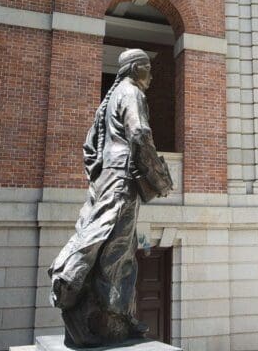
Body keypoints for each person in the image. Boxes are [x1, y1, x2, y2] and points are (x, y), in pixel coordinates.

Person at [48, 48, 173, 347]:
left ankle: (113, 317)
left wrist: (101, 175)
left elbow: (89, 149)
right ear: (135, 69)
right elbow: (140, 133)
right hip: (121, 182)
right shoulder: (131, 92)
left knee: (116, 247)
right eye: (148, 69)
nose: (152, 76)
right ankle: (105, 318)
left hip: (107, 179)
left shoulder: (110, 99)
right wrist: (158, 177)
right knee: (117, 253)